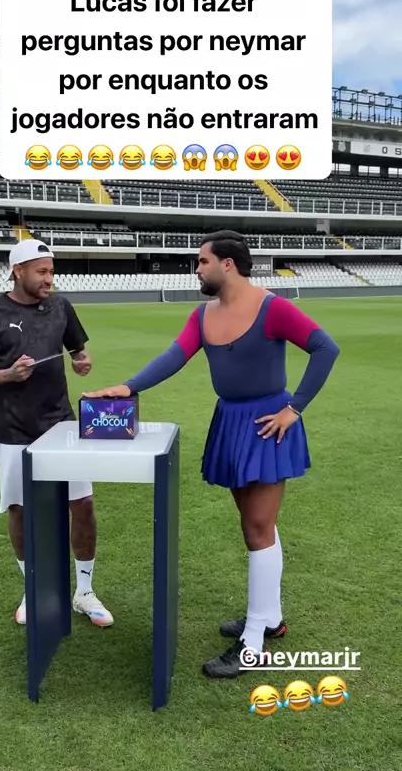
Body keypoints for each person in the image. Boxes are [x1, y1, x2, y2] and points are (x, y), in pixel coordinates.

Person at [83, 230, 340, 678]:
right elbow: (174, 355)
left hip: (266, 424)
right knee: (256, 525)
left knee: (258, 527)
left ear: (228, 264)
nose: (196, 269)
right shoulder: (203, 314)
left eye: (202, 261)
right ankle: (270, 617)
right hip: (231, 421)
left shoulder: (272, 307)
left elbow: (325, 348)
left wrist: (294, 408)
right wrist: (128, 387)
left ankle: (254, 640)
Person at [0, 238, 113, 628]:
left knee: (83, 504)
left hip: (62, 425)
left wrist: (82, 362)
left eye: (51, 271)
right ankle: (33, 587)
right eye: (42, 272)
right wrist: (8, 374)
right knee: (20, 509)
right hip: (14, 430)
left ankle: (84, 592)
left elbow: (79, 352)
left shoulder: (60, 306)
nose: (49, 279)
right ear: (18, 271)